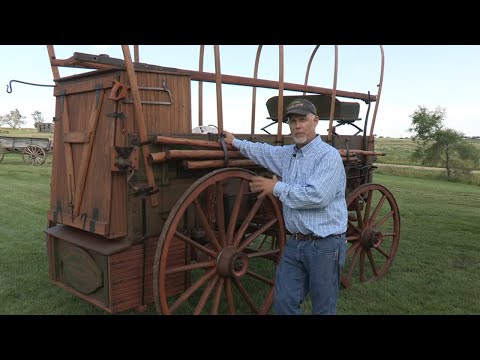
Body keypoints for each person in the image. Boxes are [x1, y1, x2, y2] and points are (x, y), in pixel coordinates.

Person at [223, 98, 347, 315]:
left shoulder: (328, 156)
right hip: (295, 244)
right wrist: (235, 142)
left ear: (315, 121)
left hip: (325, 245)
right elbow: (261, 151)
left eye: (302, 120)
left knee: (323, 307)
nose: (297, 126)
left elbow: (318, 196)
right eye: (292, 122)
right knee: (284, 302)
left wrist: (276, 187)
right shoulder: (288, 154)